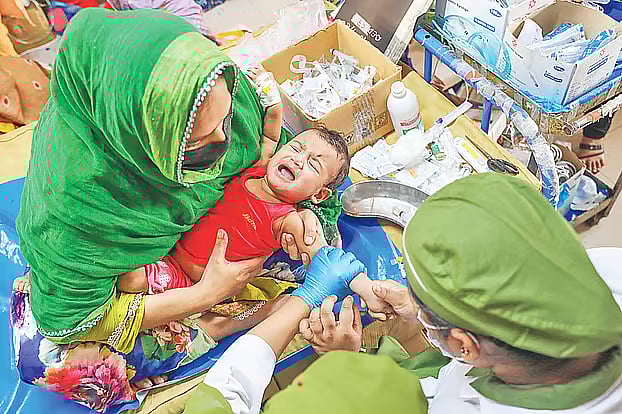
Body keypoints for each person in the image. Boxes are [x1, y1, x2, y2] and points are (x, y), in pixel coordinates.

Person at [11, 7, 332, 410]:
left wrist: (294, 208)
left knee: (303, 247)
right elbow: (85, 317)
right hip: (130, 279)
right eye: (197, 144)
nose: (223, 140)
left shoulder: (198, 81)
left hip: (182, 256)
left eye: (226, 119)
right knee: (62, 363)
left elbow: (264, 151)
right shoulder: (77, 204)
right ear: (148, 138)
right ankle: (221, 324)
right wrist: (206, 294)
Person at [184, 173, 622, 413]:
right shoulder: (608, 270)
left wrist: (342, 361)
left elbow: (224, 399)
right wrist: (420, 317)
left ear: (464, 345)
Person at [118, 126, 389, 319]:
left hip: (190, 280)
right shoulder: (258, 165)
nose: (298, 158)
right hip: (171, 245)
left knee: (130, 280)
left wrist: (365, 287)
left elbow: (322, 255)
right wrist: (268, 92)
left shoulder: (286, 220)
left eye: (312, 165)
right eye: (296, 148)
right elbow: (270, 132)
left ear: (318, 195)